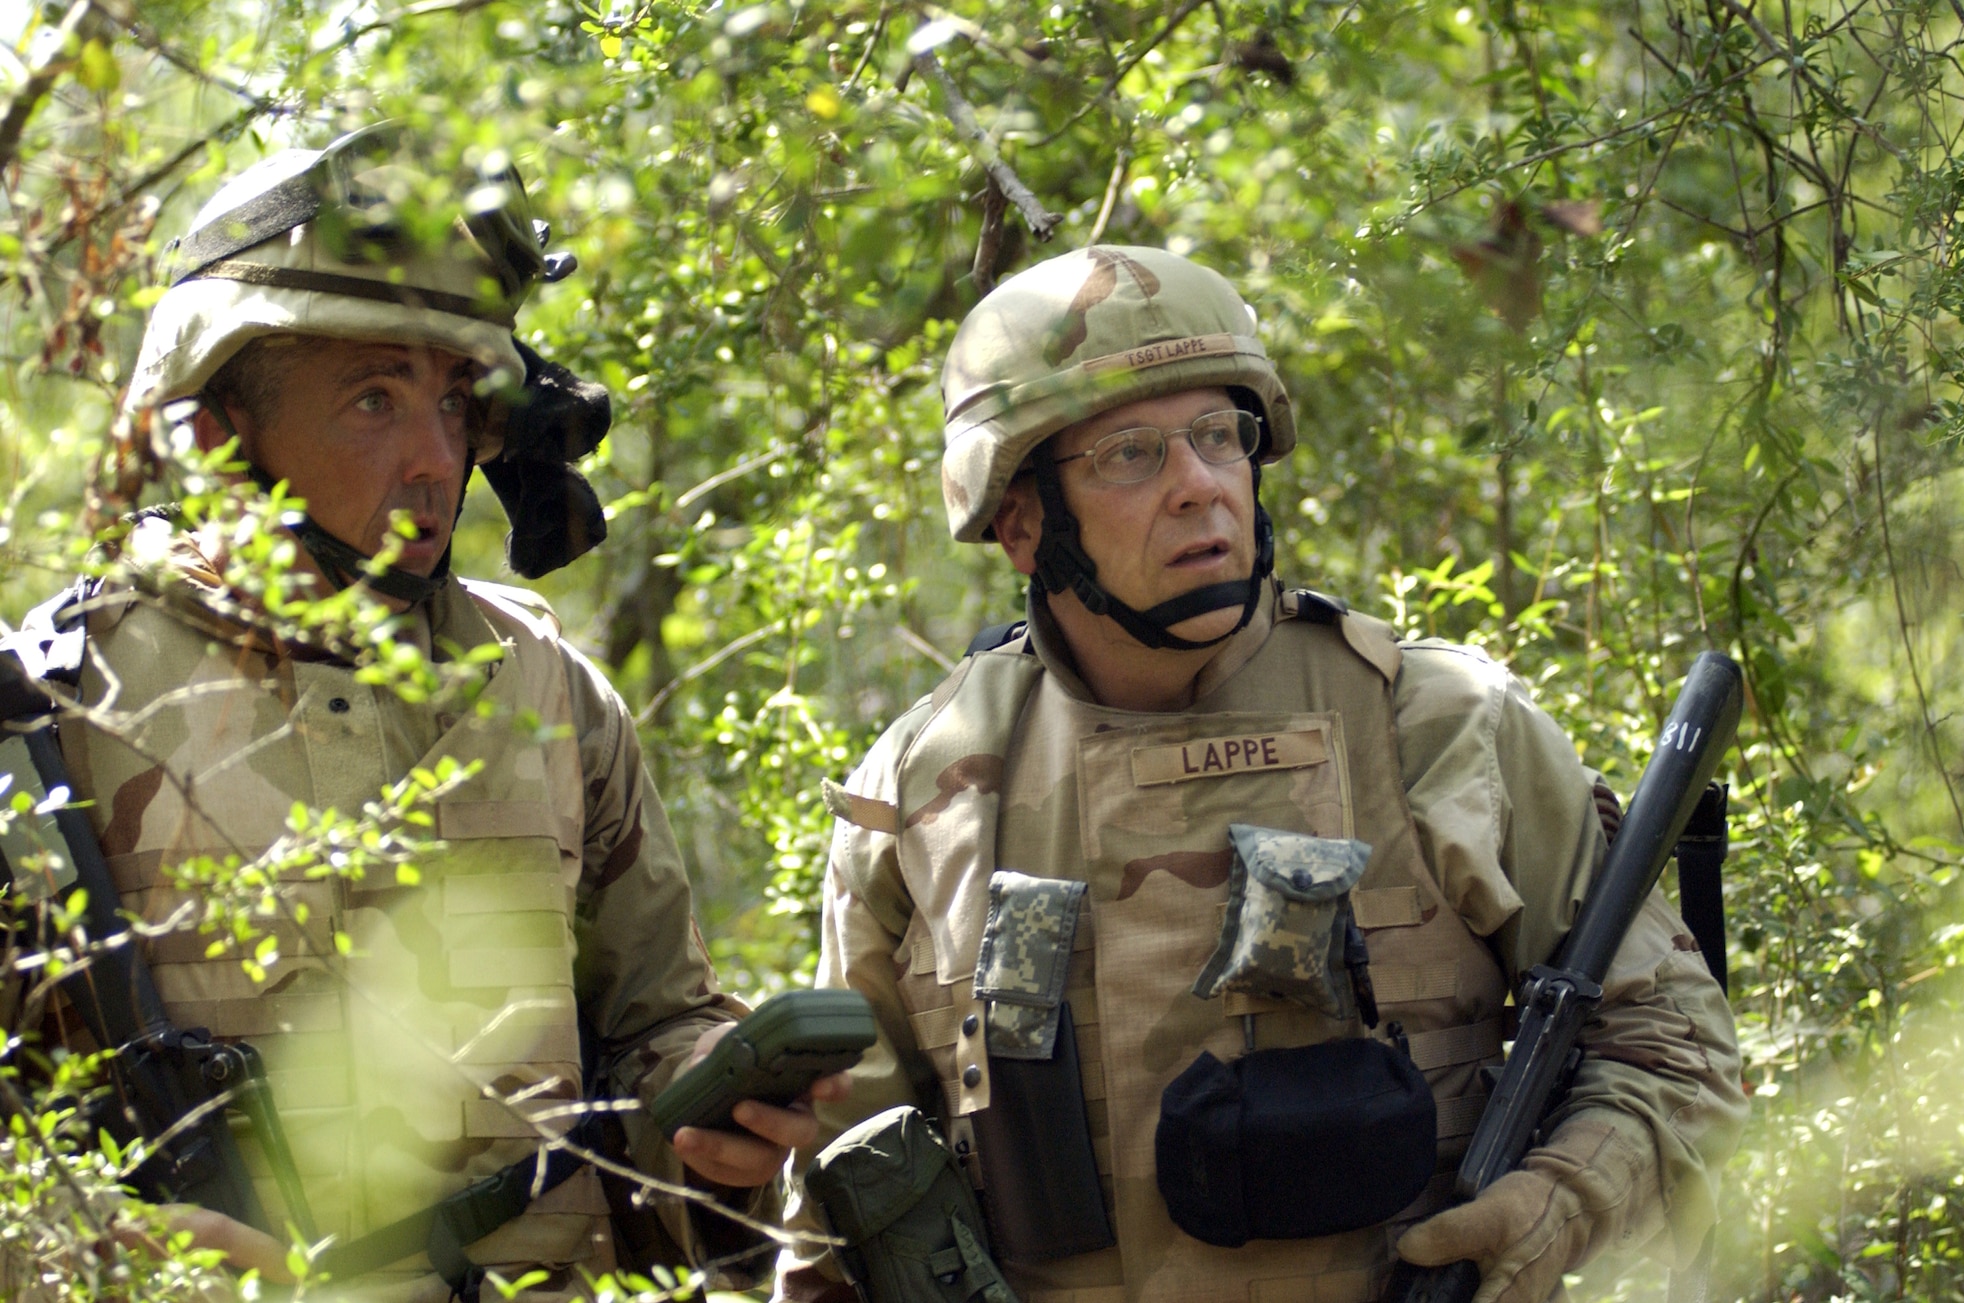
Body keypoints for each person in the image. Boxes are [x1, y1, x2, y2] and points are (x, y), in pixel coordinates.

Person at [777, 245, 1746, 1303]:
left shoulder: (1432, 725)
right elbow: (845, 1189)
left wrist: (1555, 1202)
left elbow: (1671, 1046)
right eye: (1130, 455)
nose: (1196, 487)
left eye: (1217, 438)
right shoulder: (922, 796)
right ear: (1020, 523)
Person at [2, 125, 843, 1301]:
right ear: (219, 428)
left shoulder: (544, 685)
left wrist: (712, 1107)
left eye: (455, 404)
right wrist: (123, 1253)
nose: (433, 461)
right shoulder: (51, 707)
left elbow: (655, 1021)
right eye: (373, 401)